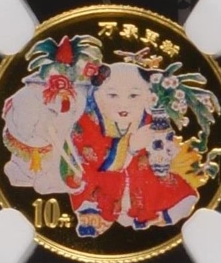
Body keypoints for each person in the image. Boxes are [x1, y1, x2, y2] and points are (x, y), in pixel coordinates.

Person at [62, 62, 154, 237]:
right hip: (97, 185)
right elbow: (97, 166)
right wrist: (131, 149)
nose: (123, 104)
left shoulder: (147, 120)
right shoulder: (88, 122)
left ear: (148, 96)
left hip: (134, 186)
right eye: (112, 95)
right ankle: (94, 218)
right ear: (97, 96)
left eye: (134, 95)